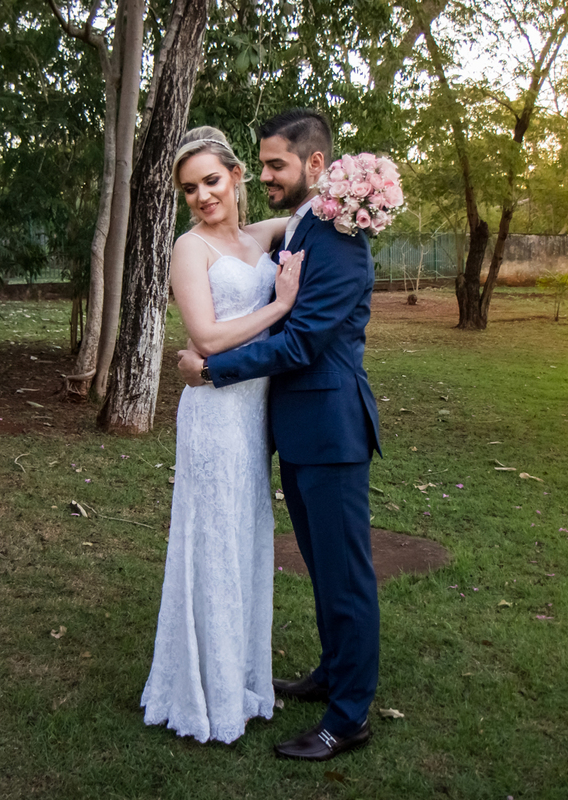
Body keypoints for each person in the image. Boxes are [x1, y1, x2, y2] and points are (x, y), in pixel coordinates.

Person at [178, 109, 382, 761]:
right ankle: (332, 671)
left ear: (314, 164)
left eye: (275, 165)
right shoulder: (301, 224)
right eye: (261, 165)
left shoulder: (339, 236)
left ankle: (348, 717)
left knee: (346, 577)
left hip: (331, 430)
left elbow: (301, 343)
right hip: (295, 432)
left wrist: (213, 369)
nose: (264, 175)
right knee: (322, 568)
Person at [140, 126, 302, 744]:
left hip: (252, 417)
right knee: (213, 541)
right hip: (212, 417)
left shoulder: (261, 236)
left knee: (245, 538)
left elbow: (315, 208)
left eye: (211, 180)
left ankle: (238, 678)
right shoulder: (190, 248)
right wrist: (278, 307)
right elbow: (205, 339)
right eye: (190, 189)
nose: (203, 196)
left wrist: (363, 190)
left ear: (237, 176)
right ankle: (203, 689)